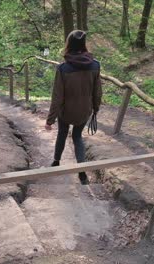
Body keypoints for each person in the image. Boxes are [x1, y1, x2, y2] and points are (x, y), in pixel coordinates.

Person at [45, 30, 102, 185]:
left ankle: (56, 162)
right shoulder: (95, 65)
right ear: (84, 44)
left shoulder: (63, 68)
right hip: (84, 111)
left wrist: (49, 120)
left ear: (68, 44)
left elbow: (57, 97)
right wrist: (96, 109)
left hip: (65, 112)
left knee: (62, 133)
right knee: (77, 137)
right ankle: (82, 173)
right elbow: (97, 91)